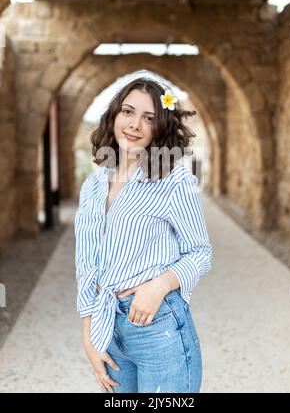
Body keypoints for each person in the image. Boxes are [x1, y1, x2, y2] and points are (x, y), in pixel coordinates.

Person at [74, 77, 213, 393]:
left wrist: (159, 286)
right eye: (128, 111)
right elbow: (86, 265)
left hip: (159, 327)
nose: (135, 124)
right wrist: (88, 332)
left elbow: (201, 252)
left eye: (149, 118)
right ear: (114, 116)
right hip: (107, 327)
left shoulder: (173, 179)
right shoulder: (93, 186)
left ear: (160, 127)